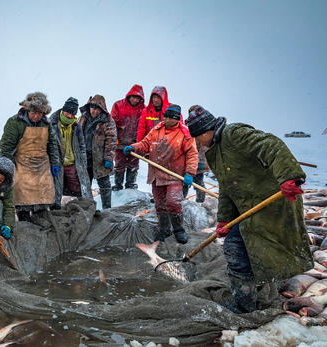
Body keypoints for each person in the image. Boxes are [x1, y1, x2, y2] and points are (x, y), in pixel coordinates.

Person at [185, 105, 313, 313]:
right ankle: (246, 298)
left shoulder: (235, 134)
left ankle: (246, 303)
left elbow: (272, 145)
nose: (198, 144)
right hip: (249, 209)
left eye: (198, 139)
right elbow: (227, 187)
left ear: (206, 131)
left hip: (274, 201)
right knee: (237, 247)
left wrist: (289, 177)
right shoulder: (215, 154)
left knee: (245, 247)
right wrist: (224, 219)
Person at [124, 104, 198, 244]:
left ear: (176, 119)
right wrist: (133, 147)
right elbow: (145, 144)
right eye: (165, 116)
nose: (165, 119)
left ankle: (178, 229)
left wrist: (189, 172)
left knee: (173, 202)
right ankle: (164, 229)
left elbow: (192, 154)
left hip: (174, 175)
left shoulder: (185, 133)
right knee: (160, 203)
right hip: (157, 174)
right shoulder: (156, 130)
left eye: (169, 117)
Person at [0, 92, 60, 222]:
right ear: (27, 110)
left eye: (40, 113)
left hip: (42, 166)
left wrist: (55, 162)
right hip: (22, 165)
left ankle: (42, 226)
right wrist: (8, 167)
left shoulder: (46, 124)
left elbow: (52, 144)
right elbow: (6, 147)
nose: (36, 116)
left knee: (42, 202)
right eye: (33, 112)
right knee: (23, 202)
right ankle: (25, 223)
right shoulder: (14, 122)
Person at [49, 97, 92, 209]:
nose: (68, 116)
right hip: (57, 162)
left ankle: (85, 207)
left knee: (80, 187)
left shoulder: (76, 126)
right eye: (67, 112)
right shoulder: (51, 124)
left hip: (72, 163)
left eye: (71, 114)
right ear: (63, 110)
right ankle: (55, 208)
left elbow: (82, 145)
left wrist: (83, 162)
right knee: (55, 188)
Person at [78, 95, 117, 209]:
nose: (94, 110)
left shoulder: (108, 121)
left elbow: (111, 140)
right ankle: (86, 208)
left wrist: (109, 158)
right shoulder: (83, 118)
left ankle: (107, 208)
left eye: (97, 108)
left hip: (100, 158)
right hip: (85, 157)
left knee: (104, 184)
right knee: (85, 184)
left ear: (102, 109)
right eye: (92, 107)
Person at [111, 85, 145, 191]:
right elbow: (112, 123)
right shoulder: (118, 105)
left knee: (133, 164)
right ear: (129, 96)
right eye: (133, 97)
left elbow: (145, 125)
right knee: (119, 164)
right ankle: (118, 184)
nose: (135, 100)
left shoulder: (143, 109)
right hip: (120, 142)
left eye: (137, 98)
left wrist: (142, 144)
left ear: (141, 99)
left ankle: (130, 184)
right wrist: (114, 139)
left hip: (135, 144)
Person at [182, 138, 209, 203]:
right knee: (184, 183)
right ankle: (181, 199)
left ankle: (200, 201)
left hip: (198, 165)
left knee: (198, 183)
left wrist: (200, 161)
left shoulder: (201, 136)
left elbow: (204, 149)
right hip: (187, 164)